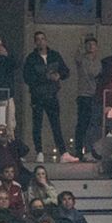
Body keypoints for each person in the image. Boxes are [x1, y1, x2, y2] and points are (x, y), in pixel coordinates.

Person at [22, 32, 75, 163]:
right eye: (37, 40)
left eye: (42, 39)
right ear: (35, 42)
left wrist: (59, 75)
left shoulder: (55, 55)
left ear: (46, 40)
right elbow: (27, 77)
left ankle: (63, 152)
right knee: (37, 125)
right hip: (37, 96)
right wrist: (45, 77)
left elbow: (66, 71)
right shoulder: (31, 58)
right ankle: (39, 152)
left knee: (56, 124)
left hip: (52, 95)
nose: (40, 42)